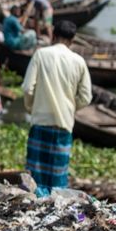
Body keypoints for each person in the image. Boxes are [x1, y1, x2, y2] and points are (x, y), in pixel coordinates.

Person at [22, 20, 92, 196]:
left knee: (35, 177)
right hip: (63, 124)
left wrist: (31, 108)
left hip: (40, 122)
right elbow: (85, 97)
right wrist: (69, 108)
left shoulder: (41, 54)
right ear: (73, 39)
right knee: (58, 179)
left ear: (53, 35)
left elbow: (27, 88)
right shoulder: (79, 61)